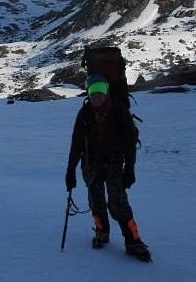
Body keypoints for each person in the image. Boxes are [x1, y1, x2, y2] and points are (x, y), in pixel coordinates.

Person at [65, 74, 151, 261]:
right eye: (93, 92)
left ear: (107, 91)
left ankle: (133, 241)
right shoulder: (85, 113)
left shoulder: (119, 111)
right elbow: (76, 144)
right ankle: (101, 232)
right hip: (90, 165)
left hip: (113, 164)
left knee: (118, 203)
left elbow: (129, 144)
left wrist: (129, 168)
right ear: (88, 93)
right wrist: (70, 170)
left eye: (101, 91)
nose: (97, 96)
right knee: (95, 201)